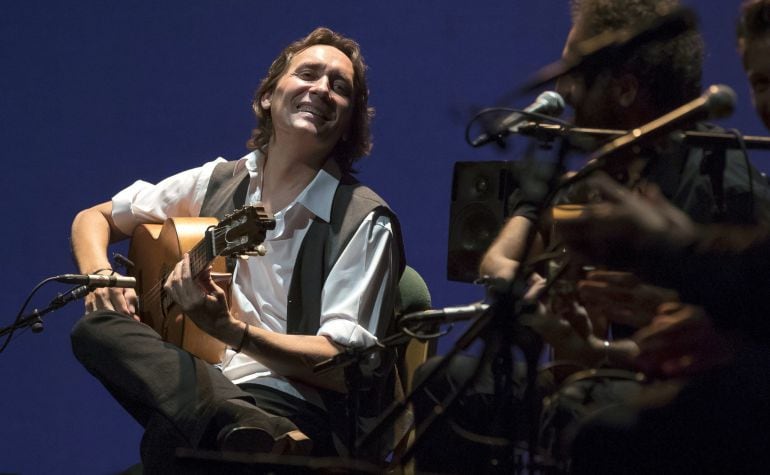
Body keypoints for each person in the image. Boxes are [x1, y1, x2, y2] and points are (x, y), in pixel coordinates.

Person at [412, 0, 770, 472]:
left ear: (624, 89)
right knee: (446, 378)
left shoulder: (724, 180)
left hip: (662, 384)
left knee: (590, 413)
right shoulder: (594, 174)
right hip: (597, 366)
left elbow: (744, 330)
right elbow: (508, 255)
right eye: (761, 83)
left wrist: (662, 301)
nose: (561, 86)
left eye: (574, 69)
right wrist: (545, 305)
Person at [69, 27, 404, 471]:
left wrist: (233, 331)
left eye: (339, 87)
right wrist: (99, 274)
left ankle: (250, 426)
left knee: (171, 444)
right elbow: (94, 218)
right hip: (208, 387)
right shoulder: (220, 180)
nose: (321, 89)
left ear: (348, 123)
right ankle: (240, 422)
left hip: (299, 409)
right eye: (308, 74)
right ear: (268, 96)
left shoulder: (363, 219)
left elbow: (344, 366)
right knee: (93, 330)